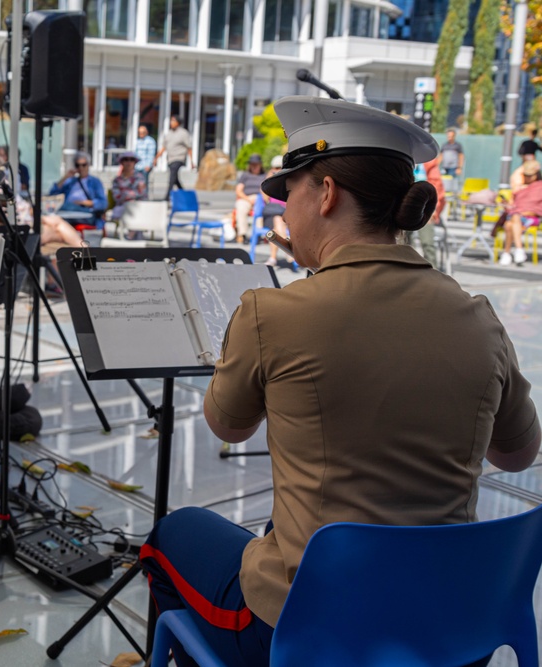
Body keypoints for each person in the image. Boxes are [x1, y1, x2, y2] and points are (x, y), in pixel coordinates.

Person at [139, 96, 540, 667]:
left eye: (289, 193)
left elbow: (225, 422)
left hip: (310, 635)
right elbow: (520, 453)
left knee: (174, 534)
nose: (284, 212)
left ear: (325, 194)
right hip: (454, 633)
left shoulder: (271, 312)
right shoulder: (478, 315)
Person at [499, 159, 542, 266]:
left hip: (531, 217)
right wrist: (507, 204)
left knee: (509, 224)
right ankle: (518, 249)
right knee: (513, 219)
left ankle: (507, 253)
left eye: (529, 175)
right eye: (525, 175)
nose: (527, 177)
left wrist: (523, 211)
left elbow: (538, 207)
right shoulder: (519, 188)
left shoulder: (539, 187)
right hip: (517, 216)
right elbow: (513, 205)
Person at [49, 152, 107, 224]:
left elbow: (103, 203)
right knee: (56, 217)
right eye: (78, 165)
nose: (81, 168)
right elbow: (52, 194)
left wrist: (83, 202)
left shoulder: (95, 182)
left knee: (63, 208)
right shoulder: (71, 181)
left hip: (86, 213)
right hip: (67, 212)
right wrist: (65, 177)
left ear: (88, 165)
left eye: (83, 165)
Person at [155, 115, 193, 198]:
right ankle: (185, 196)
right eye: (171, 120)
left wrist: (192, 162)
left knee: (172, 177)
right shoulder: (169, 134)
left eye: (173, 121)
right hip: (170, 159)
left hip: (179, 158)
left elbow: (189, 148)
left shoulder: (183, 133)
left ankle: (167, 197)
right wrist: (156, 158)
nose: (171, 123)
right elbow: (163, 147)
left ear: (178, 123)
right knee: (175, 178)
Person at [261, 155, 289, 267]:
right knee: (277, 221)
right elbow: (264, 198)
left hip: (282, 216)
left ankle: (272, 258)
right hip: (270, 215)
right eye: (275, 168)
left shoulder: (287, 182)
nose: (277, 170)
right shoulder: (268, 182)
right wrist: (269, 180)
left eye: (279, 168)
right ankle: (287, 249)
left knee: (276, 229)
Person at [233, 153, 266, 244]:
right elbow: (238, 190)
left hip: (259, 197)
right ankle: (243, 234)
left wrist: (259, 198)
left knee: (259, 208)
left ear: (260, 165)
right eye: (252, 164)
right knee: (241, 206)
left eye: (256, 164)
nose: (254, 167)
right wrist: (248, 199)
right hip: (246, 197)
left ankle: (259, 234)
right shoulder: (245, 175)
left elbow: (265, 190)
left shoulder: (264, 175)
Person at [110, 151, 147, 220]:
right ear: (122, 162)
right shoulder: (117, 180)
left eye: (132, 160)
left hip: (138, 207)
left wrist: (125, 194)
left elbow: (143, 194)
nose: (129, 162)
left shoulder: (140, 177)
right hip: (122, 208)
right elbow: (117, 197)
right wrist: (132, 194)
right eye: (126, 159)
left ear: (135, 162)